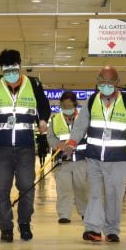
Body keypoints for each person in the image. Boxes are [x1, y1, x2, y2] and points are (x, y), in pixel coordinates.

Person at [0, 49, 51, 242]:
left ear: (19, 66)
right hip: (1, 147)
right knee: (2, 189)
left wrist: (43, 119)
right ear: (1, 69)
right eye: (6, 70)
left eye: (13, 69)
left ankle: (24, 223)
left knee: (26, 186)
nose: (11, 74)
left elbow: (44, 105)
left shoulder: (34, 84)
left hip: (25, 147)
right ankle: (6, 227)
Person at [64, 66, 126, 243]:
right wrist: (72, 143)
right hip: (94, 157)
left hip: (117, 158)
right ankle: (92, 229)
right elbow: (80, 125)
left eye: (109, 83)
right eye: (102, 83)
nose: (106, 86)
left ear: (117, 83)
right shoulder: (92, 101)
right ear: (97, 82)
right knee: (94, 193)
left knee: (114, 194)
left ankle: (111, 230)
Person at [47, 91, 88, 224]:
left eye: (70, 105)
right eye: (64, 105)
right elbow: (50, 138)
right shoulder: (55, 120)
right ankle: (64, 214)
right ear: (60, 105)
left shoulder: (83, 118)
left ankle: (85, 212)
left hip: (81, 160)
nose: (67, 108)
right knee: (64, 188)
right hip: (62, 160)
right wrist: (58, 145)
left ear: (75, 105)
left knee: (81, 188)